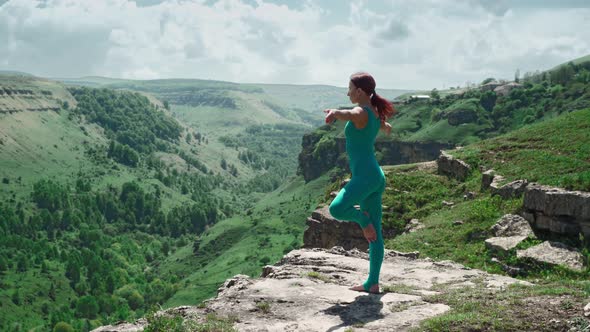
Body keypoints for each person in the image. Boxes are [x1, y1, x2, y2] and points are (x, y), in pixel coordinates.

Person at [324, 72, 395, 294]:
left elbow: (351, 113)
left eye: (350, 88)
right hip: (375, 176)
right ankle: (372, 283)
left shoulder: (361, 111)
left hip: (364, 177)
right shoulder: (373, 112)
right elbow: (381, 124)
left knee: (336, 209)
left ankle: (362, 219)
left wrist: (335, 112)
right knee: (377, 236)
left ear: (360, 92)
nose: (348, 92)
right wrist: (384, 126)